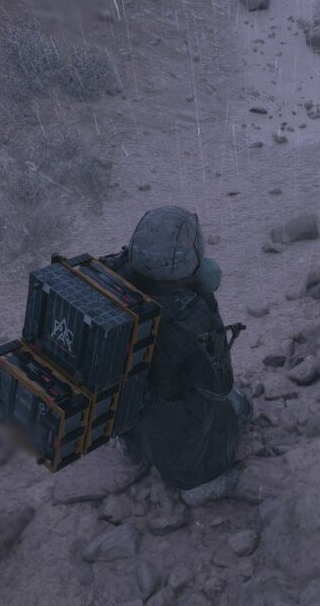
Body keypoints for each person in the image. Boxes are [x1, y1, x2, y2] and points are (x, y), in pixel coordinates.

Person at [102, 205, 252, 505]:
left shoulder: (109, 273)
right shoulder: (194, 319)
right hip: (171, 426)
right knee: (236, 407)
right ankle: (198, 484)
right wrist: (207, 302)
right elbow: (218, 386)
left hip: (120, 409)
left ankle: (132, 447)